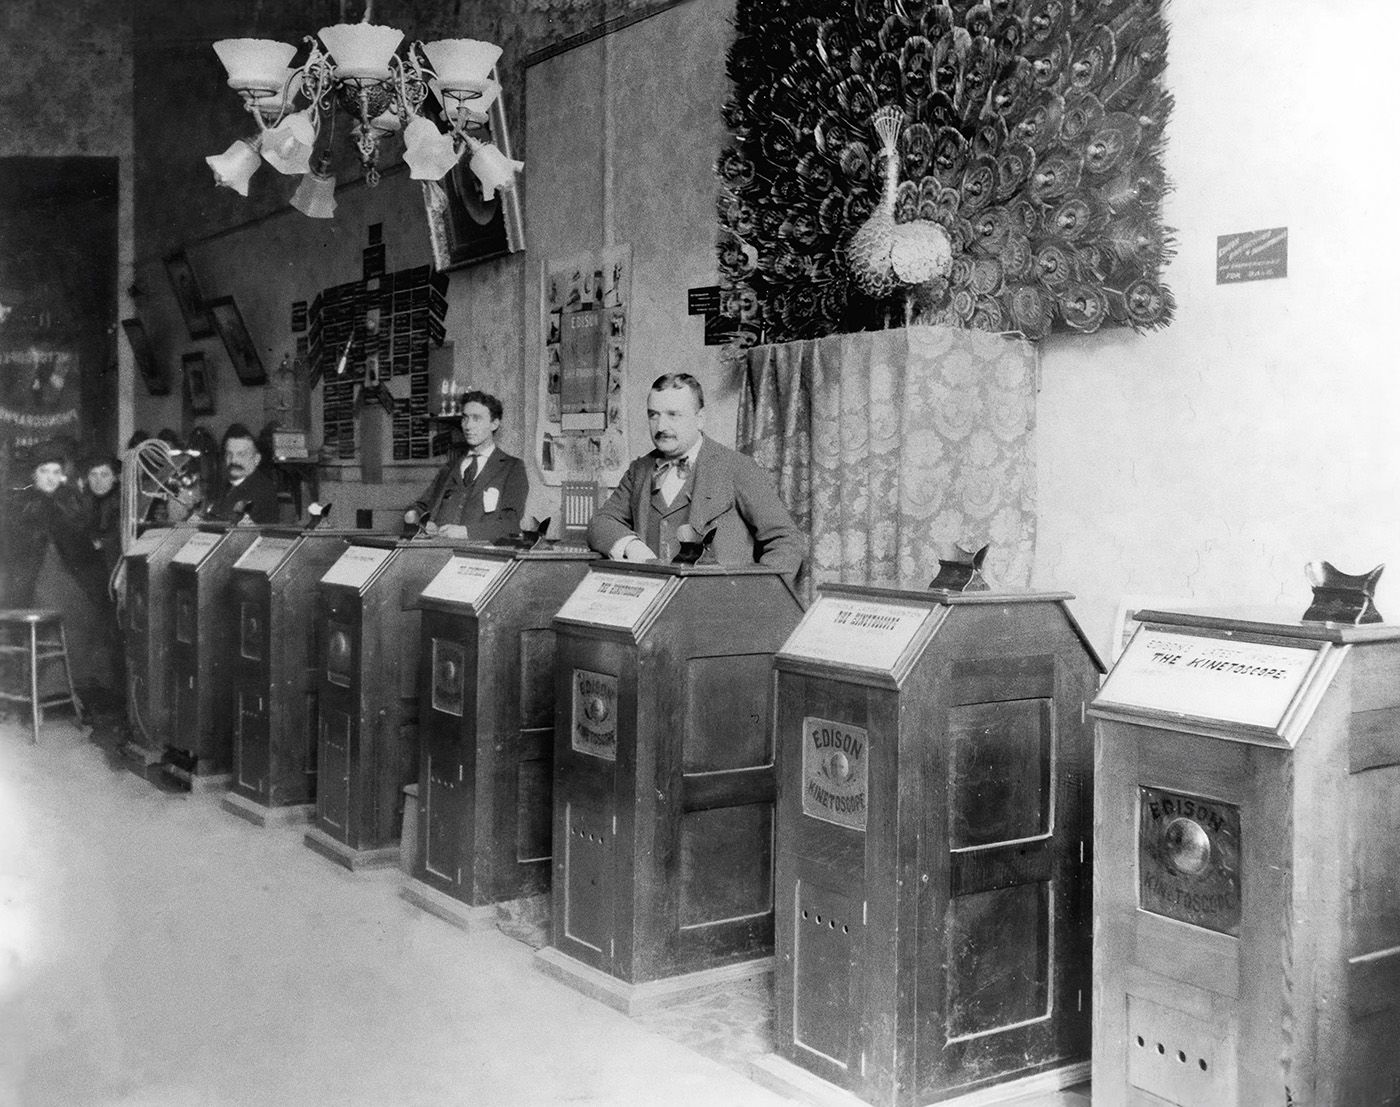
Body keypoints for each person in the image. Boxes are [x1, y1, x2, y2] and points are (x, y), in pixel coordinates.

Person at [587, 373, 804, 574]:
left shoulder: (737, 467)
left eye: (673, 415)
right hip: (652, 605)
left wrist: (751, 595)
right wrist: (631, 547)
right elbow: (601, 522)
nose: (661, 426)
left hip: (715, 608)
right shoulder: (639, 470)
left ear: (700, 418)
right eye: (653, 415)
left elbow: (786, 541)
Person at [405, 390, 529, 542]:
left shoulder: (512, 468)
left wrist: (466, 532)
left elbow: (511, 525)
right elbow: (420, 507)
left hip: (479, 556)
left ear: (494, 424)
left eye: (477, 419)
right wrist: (417, 520)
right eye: (465, 418)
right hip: (436, 551)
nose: (468, 426)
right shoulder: (451, 466)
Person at [205, 422, 279, 523]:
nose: (234, 460)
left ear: (256, 459)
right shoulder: (223, 486)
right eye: (229, 454)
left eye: (241, 454)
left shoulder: (263, 490)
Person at [82, 452, 122, 578]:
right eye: (93, 474)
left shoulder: (123, 502)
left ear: (115, 478)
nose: (98, 481)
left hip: (114, 568)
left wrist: (102, 543)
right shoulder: (82, 501)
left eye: (104, 475)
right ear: (87, 478)